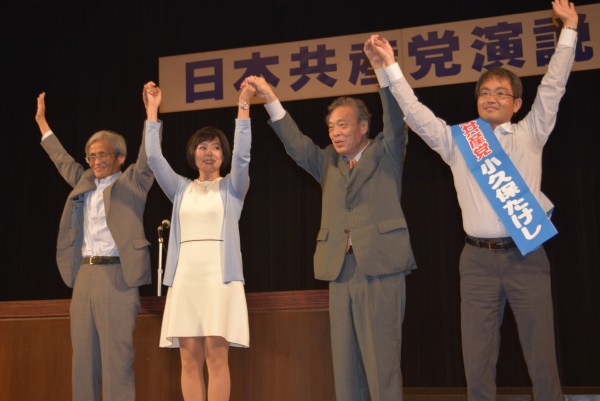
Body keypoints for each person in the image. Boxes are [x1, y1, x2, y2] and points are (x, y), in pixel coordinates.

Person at [368, 1, 578, 399]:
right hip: (477, 261)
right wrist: (391, 65)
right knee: (477, 359)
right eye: (484, 92)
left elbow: (553, 85)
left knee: (541, 356)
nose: (491, 97)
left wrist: (568, 30)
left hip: (526, 256)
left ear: (517, 104)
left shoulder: (531, 134)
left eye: (501, 93)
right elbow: (413, 112)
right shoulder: (459, 141)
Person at [245, 45, 417, 401]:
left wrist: (384, 70)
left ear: (363, 126)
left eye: (343, 125)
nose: (335, 132)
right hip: (340, 270)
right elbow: (295, 144)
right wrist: (272, 99)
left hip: (381, 267)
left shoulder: (387, 151)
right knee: (345, 367)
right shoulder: (327, 162)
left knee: (382, 366)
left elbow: (396, 118)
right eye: (331, 127)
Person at [35, 92, 155, 401]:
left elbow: (148, 157)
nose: (96, 161)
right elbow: (61, 159)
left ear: (119, 157)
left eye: (103, 155)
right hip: (84, 277)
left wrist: (152, 112)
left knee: (117, 362)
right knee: (83, 361)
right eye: (91, 156)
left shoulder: (133, 182)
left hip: (117, 277)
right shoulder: (84, 181)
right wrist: (42, 124)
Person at [143, 80, 254, 401]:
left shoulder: (233, 188)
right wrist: (152, 110)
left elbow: (244, 157)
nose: (209, 152)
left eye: (216, 147)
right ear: (193, 153)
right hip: (186, 279)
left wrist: (244, 106)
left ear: (223, 154)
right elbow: (153, 158)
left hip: (220, 280)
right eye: (203, 147)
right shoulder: (180, 189)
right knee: (189, 360)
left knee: (217, 359)